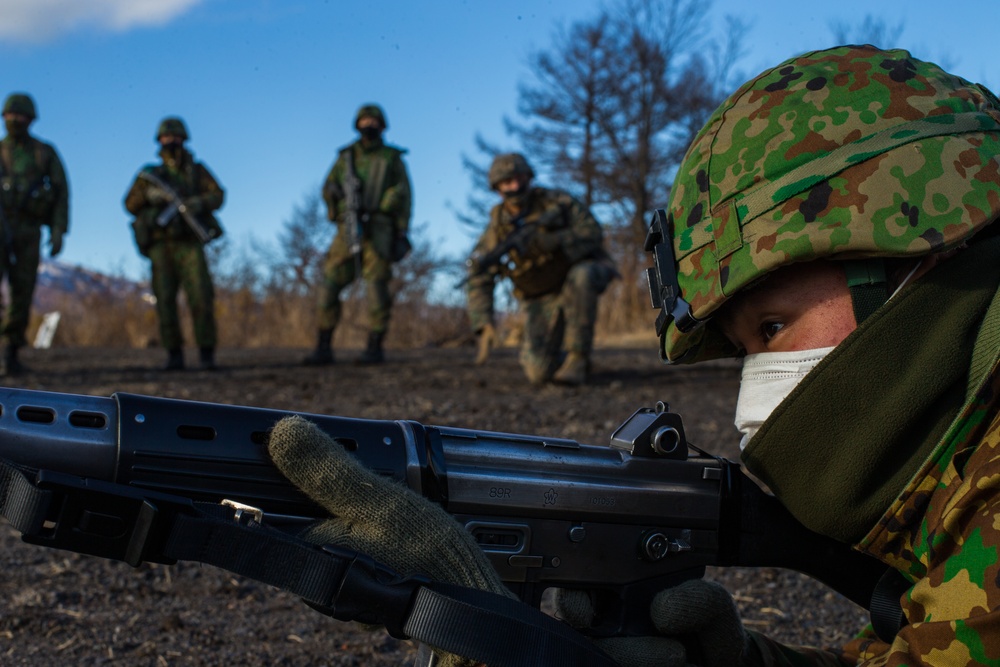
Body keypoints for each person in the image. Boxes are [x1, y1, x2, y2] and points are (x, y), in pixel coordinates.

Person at [266, 45, 1000, 666]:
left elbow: (589, 252)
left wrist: (482, 624)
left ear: (932, 240)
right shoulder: (966, 480)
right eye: (743, 350)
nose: (754, 399)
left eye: (771, 328)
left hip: (569, 285)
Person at [465, 153, 617, 386]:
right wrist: (483, 321)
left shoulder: (557, 202)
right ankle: (560, 355)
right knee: (538, 373)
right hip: (541, 293)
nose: (515, 186)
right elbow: (479, 274)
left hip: (578, 274)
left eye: (519, 178)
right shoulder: (497, 229)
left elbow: (593, 232)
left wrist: (555, 240)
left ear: (529, 177)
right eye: (507, 182)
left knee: (582, 276)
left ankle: (578, 358)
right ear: (497, 188)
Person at [303, 103, 412, 366]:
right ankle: (323, 347)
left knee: (376, 288)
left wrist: (399, 229)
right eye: (364, 121)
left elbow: (404, 195)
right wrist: (338, 206)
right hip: (348, 228)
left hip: (380, 229)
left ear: (383, 126)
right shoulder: (346, 157)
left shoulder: (391, 158)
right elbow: (328, 187)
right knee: (329, 284)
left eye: (374, 121)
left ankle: (374, 348)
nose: (369, 125)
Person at [124, 117, 224, 371]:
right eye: (166, 138)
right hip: (161, 245)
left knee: (201, 296)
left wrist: (197, 203)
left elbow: (218, 195)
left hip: (190, 244)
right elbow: (129, 204)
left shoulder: (196, 171)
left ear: (183, 139)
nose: (170, 141)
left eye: (175, 137)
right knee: (165, 299)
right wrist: (149, 195)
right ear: (159, 141)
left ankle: (206, 355)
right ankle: (174, 356)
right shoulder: (150, 175)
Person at [0, 92, 68, 375]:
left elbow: (61, 192)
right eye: (11, 115)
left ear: (31, 119)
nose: (16, 120)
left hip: (29, 229)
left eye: (22, 116)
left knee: (23, 289)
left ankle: (10, 351)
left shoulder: (44, 152)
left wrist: (58, 230)